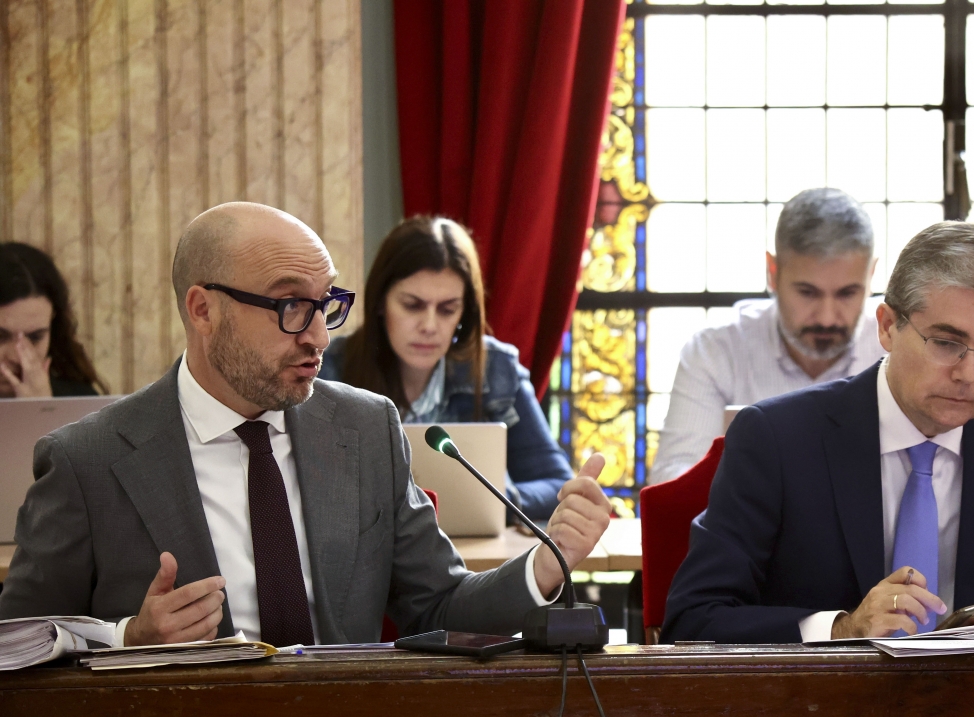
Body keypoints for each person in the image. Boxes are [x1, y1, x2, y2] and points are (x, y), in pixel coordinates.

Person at [0, 202, 610, 647]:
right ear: (203, 309)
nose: (318, 336)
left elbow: (439, 603)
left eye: (325, 306)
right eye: (291, 306)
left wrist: (546, 563)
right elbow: (17, 641)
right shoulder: (88, 459)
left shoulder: (367, 428)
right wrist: (126, 638)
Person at [663, 221, 974, 644]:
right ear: (887, 327)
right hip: (817, 709)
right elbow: (694, 618)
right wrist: (841, 629)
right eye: (946, 343)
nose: (968, 373)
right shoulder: (778, 438)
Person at [318, 217, 573, 521]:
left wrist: (496, 499)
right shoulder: (329, 369)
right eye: (412, 305)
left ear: (465, 311)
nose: (429, 326)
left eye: (447, 309)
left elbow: (558, 486)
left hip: (475, 562)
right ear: (380, 302)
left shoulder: (496, 369)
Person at [650, 188, 887, 485]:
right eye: (807, 293)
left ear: (871, 275)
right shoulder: (716, 350)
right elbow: (673, 480)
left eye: (847, 293)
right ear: (772, 273)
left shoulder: (897, 351)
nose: (827, 317)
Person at [0, 242, 107, 398]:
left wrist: (43, 409)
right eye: (0, 337)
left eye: (35, 337)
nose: (17, 357)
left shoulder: (79, 401)